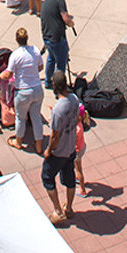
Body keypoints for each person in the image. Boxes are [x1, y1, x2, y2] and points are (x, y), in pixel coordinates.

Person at [42, 73, 82, 226]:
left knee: (47, 177)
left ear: (54, 86)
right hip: (70, 148)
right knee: (69, 178)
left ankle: (58, 210)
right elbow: (77, 116)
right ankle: (70, 208)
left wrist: (49, 151)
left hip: (58, 152)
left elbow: (54, 136)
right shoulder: (74, 99)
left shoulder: (58, 110)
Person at [3, 27, 45, 150]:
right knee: (36, 117)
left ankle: (18, 142)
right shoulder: (35, 50)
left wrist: (0, 75)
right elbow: (40, 67)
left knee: (20, 118)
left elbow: (8, 74)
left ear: (17, 40)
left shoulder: (15, 55)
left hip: (23, 91)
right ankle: (39, 146)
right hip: (37, 89)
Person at [41, 0, 75, 83]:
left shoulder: (46, 2)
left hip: (47, 37)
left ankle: (48, 81)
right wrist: (71, 23)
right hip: (57, 39)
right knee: (61, 63)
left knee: (51, 58)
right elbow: (66, 18)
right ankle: (58, 87)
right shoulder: (60, 1)